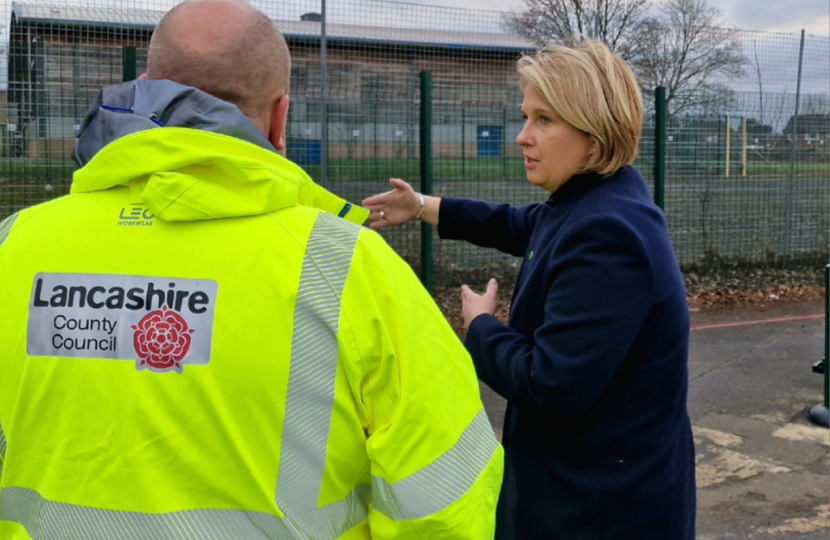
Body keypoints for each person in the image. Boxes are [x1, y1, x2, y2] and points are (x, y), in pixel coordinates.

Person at [0, 1, 503, 538]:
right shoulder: (350, 269)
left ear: (145, 88)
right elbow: (445, 501)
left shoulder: (15, 244)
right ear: (280, 116)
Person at [363, 38, 696, 539]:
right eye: (526, 116)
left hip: (601, 513)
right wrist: (424, 207)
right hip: (588, 497)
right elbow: (520, 224)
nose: (522, 136)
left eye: (544, 120)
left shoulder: (609, 235)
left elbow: (550, 385)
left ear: (593, 132)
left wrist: (480, 327)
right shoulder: (595, 201)